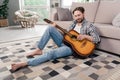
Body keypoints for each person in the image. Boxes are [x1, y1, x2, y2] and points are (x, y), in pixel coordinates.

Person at [11, 7, 100, 71]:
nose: (77, 17)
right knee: (50, 28)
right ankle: (38, 49)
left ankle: (25, 63)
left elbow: (97, 39)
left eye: (79, 15)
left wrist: (85, 36)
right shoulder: (73, 23)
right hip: (66, 42)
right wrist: (56, 28)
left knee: (51, 52)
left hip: (71, 48)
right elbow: (67, 36)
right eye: (76, 16)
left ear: (83, 14)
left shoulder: (89, 25)